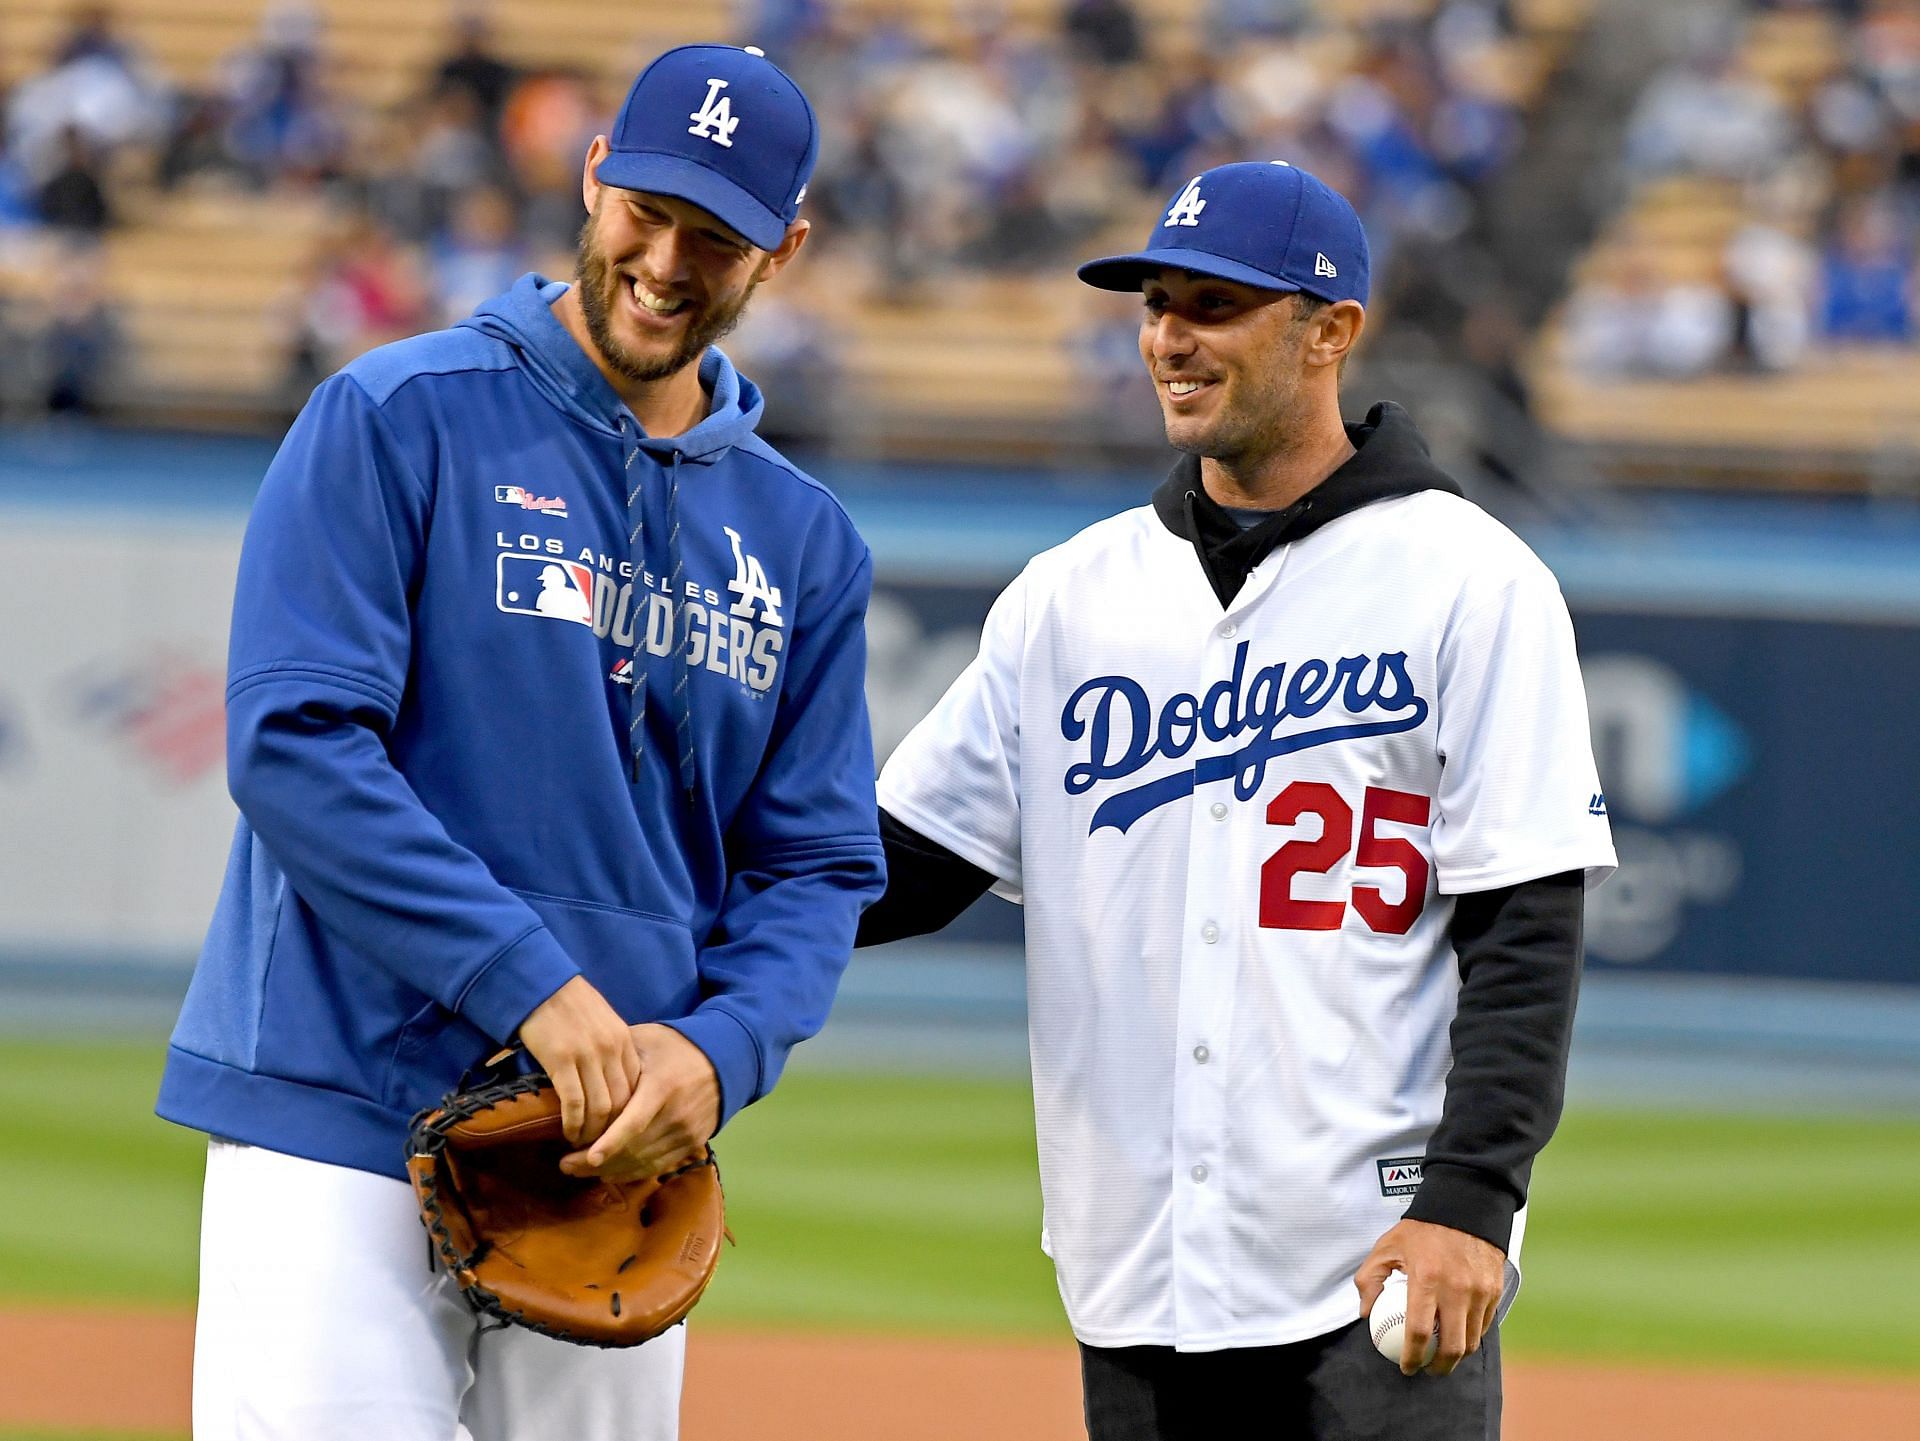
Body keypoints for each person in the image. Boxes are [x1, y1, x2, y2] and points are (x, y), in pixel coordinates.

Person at [157, 43, 883, 1441]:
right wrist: (533, 988)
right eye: (646, 212)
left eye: (717, 238)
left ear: (784, 249)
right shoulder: (396, 416)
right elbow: (301, 745)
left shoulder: (805, 541)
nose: (667, 261)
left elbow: (815, 866)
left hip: (606, 1159)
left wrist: (718, 1053)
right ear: (595, 174)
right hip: (342, 1104)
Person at [859, 160, 1616, 1440]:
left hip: (1371, 1259)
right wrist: (644, 927)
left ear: (1331, 330)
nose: (1170, 336)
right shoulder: (1070, 597)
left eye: (1216, 305)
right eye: (1157, 302)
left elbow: (1525, 926)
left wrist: (1470, 1201)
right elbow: (898, 870)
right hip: (1137, 1265)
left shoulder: (1471, 580)